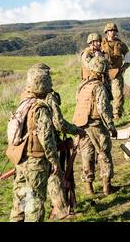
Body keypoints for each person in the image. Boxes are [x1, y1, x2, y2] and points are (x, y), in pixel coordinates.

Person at [20, 63, 85, 220]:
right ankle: (61, 210)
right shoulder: (46, 99)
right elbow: (59, 124)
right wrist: (77, 130)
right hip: (44, 148)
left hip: (25, 151)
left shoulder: (25, 96)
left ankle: (58, 209)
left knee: (27, 192)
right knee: (55, 176)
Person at [9, 66, 60, 222]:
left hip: (21, 160)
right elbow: (46, 138)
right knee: (35, 202)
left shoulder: (24, 103)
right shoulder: (40, 108)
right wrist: (54, 160)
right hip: (35, 162)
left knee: (20, 200)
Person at [73, 56, 118, 196]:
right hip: (96, 125)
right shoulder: (99, 87)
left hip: (81, 126)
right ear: (102, 71)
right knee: (104, 155)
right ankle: (107, 188)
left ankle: (89, 188)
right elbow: (103, 109)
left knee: (87, 156)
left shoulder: (83, 85)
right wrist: (111, 127)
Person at [101, 22, 130, 121]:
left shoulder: (120, 44)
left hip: (116, 73)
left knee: (118, 95)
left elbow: (128, 56)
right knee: (104, 95)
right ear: (106, 32)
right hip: (104, 73)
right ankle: (106, 116)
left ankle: (117, 116)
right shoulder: (100, 43)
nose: (112, 33)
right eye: (110, 31)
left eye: (114, 31)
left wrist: (124, 67)